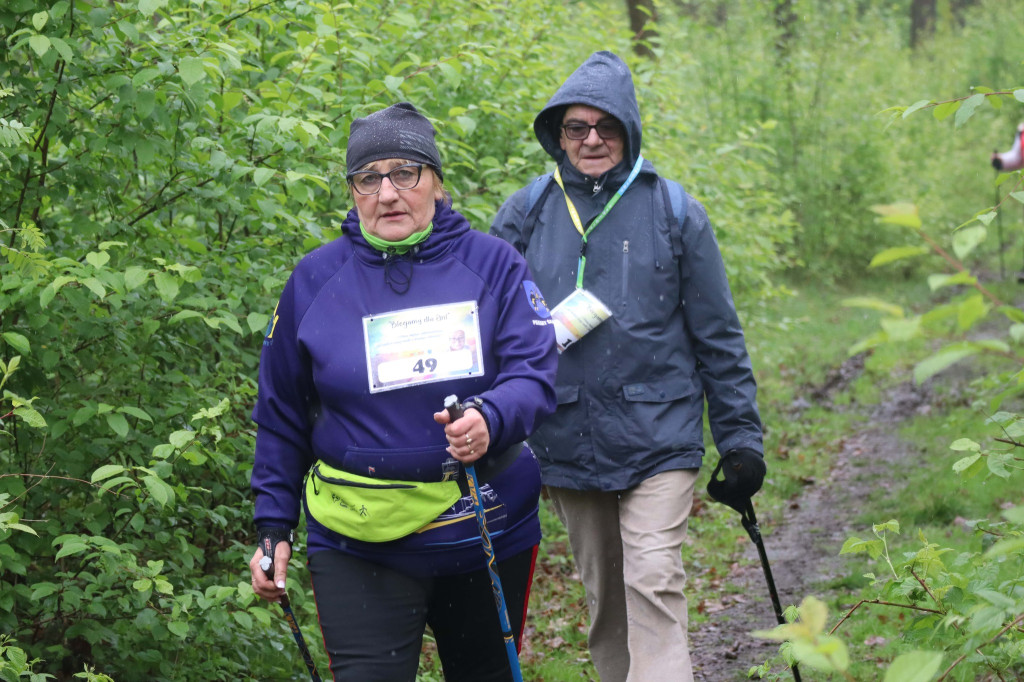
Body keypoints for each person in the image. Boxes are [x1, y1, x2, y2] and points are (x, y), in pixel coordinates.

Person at [248, 101, 558, 682]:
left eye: (405, 173)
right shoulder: (313, 280)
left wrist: (490, 417)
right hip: (356, 541)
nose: (388, 193)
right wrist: (273, 527)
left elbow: (534, 375)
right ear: (353, 191)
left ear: (437, 184)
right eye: (369, 178)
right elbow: (281, 413)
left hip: (484, 523)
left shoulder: (495, 265)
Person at [490, 51, 766, 682]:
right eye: (576, 128)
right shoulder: (526, 212)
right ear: (557, 135)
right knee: (607, 604)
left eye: (605, 126)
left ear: (628, 129)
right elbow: (486, 330)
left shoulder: (674, 211)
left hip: (659, 432)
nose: (591, 140)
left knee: (652, 577)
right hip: (563, 435)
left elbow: (718, 337)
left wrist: (741, 441)